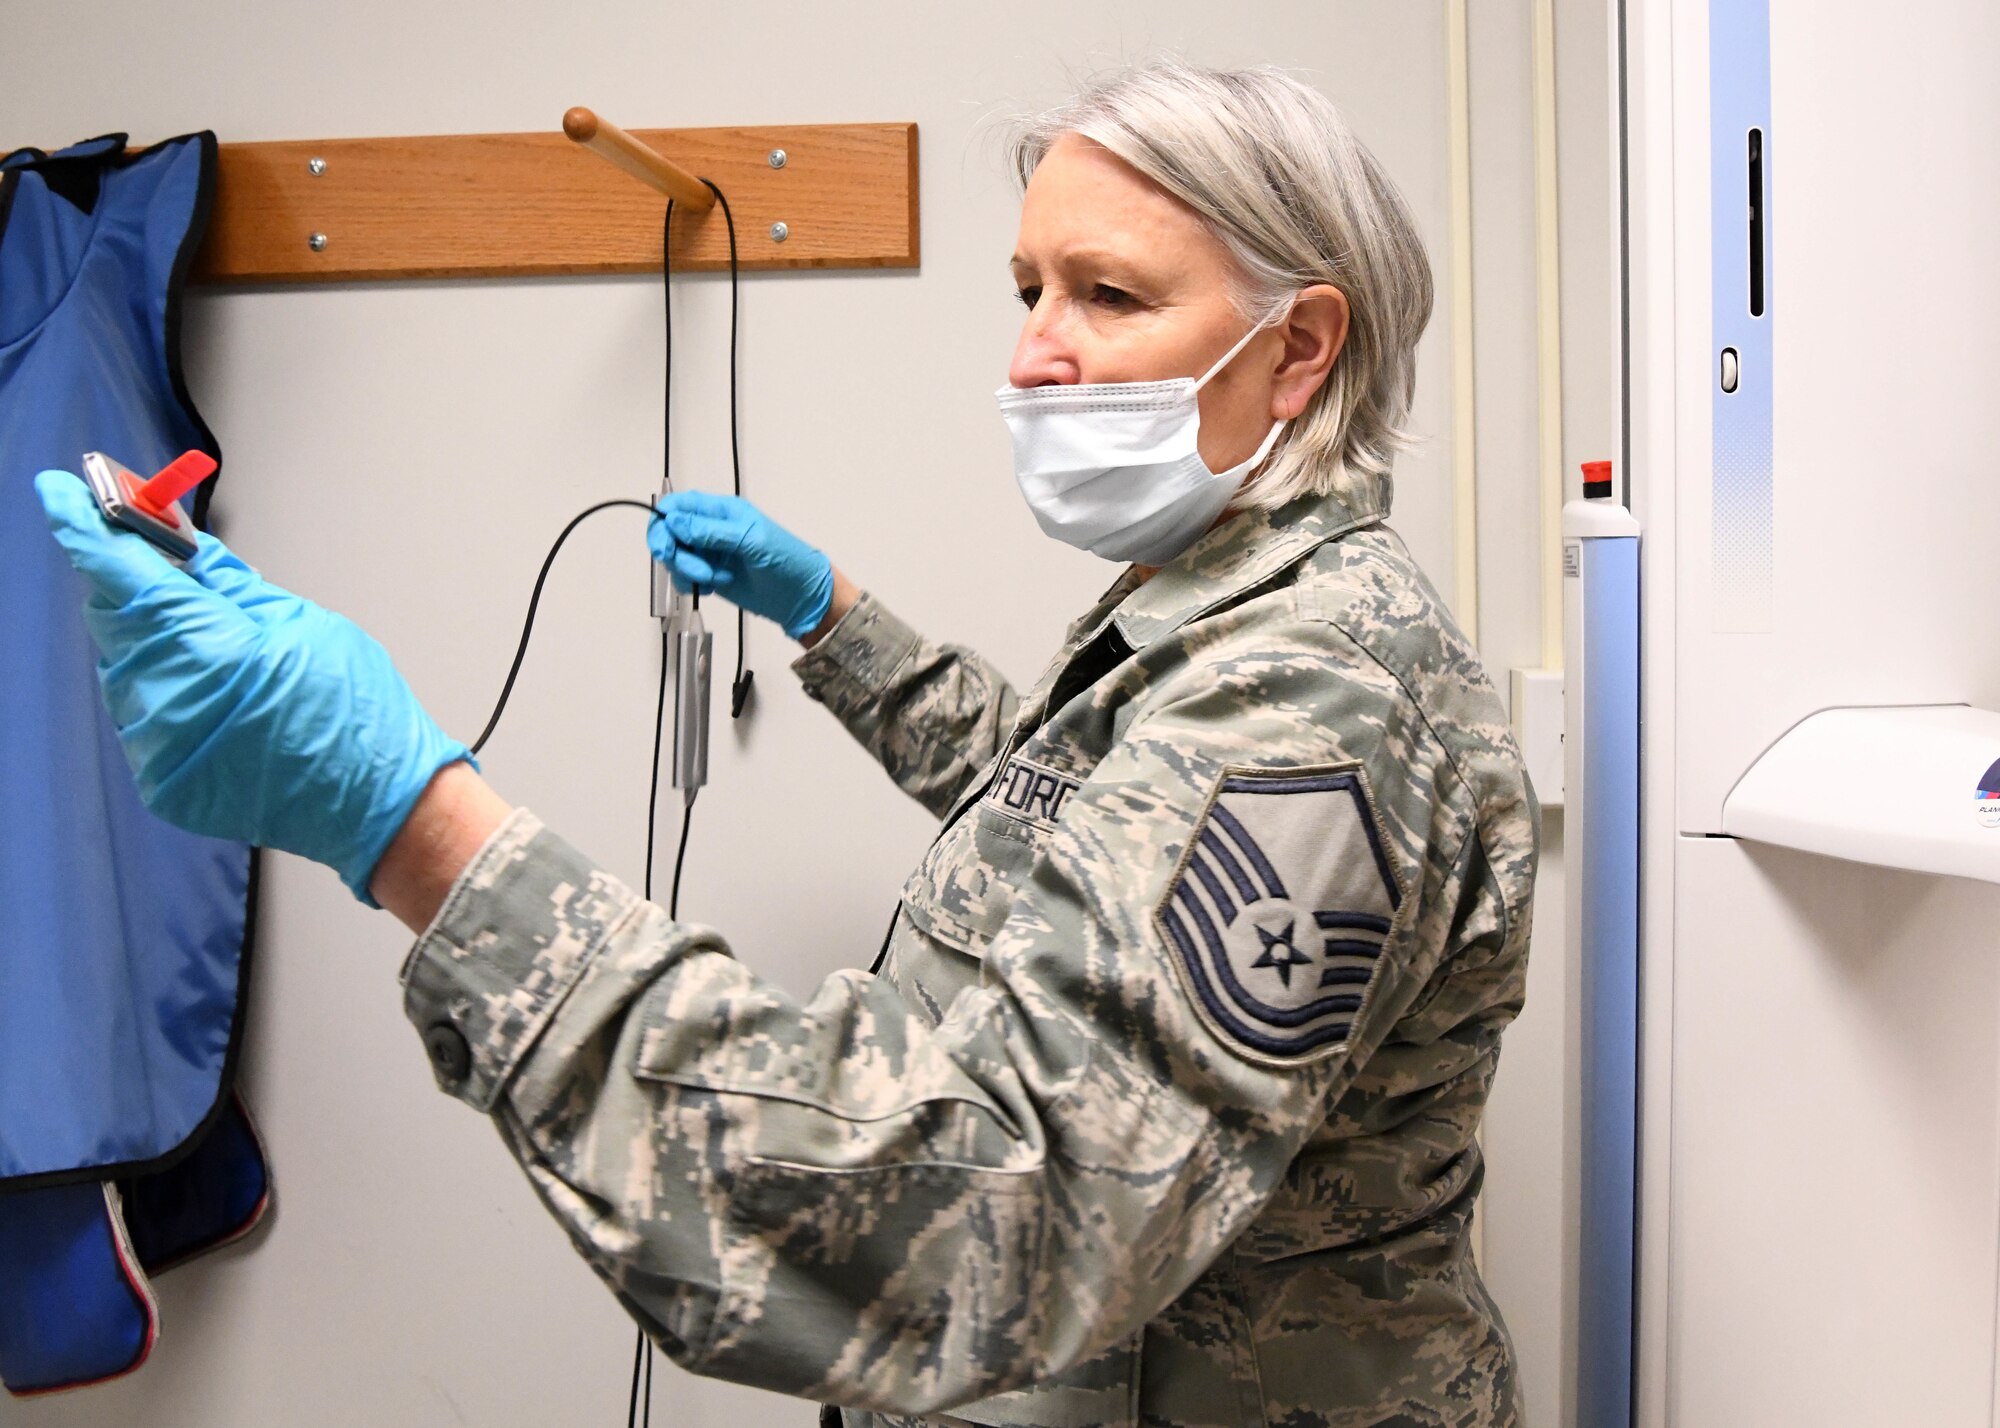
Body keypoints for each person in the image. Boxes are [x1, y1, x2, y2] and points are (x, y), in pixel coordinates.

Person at [35, 60, 1539, 1428]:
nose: (1032, 356)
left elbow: (983, 1228)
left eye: (1108, 296)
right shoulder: (1224, 613)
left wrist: (407, 822)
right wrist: (831, 615)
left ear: (1300, 350)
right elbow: (1070, 822)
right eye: (1028, 290)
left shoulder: (1316, 702)